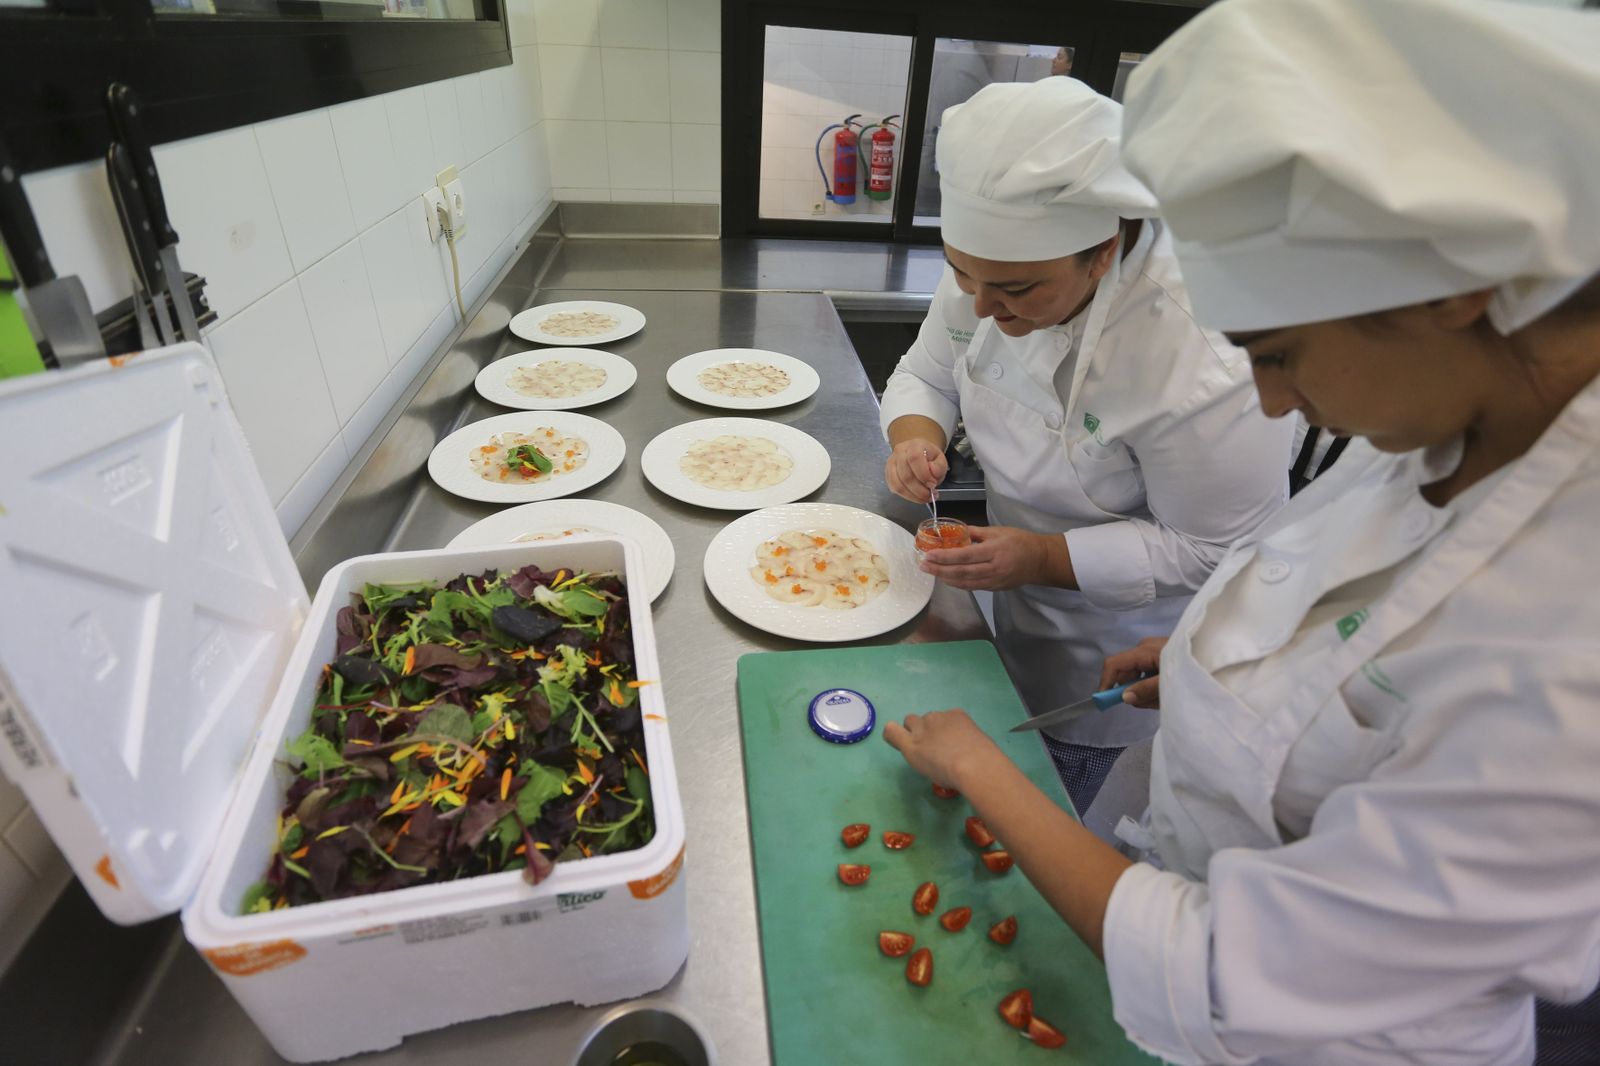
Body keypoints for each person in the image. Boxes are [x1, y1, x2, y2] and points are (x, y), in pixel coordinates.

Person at [884, 1, 1600, 1063]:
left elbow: (1233, 975)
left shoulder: (1569, 661)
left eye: (1279, 353)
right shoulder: (1457, 406)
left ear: (1454, 294)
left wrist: (989, 773)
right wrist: (1230, 665)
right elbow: (1341, 603)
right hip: (1175, 843)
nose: (1269, 406)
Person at [880, 76, 1293, 809]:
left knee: (1056, 801)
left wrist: (1038, 555)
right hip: (999, 601)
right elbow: (928, 371)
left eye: (1013, 290)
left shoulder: (1200, 353)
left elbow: (1213, 548)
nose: (981, 306)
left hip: (1115, 641)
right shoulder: (990, 272)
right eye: (960, 272)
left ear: (1102, 252)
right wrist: (915, 437)